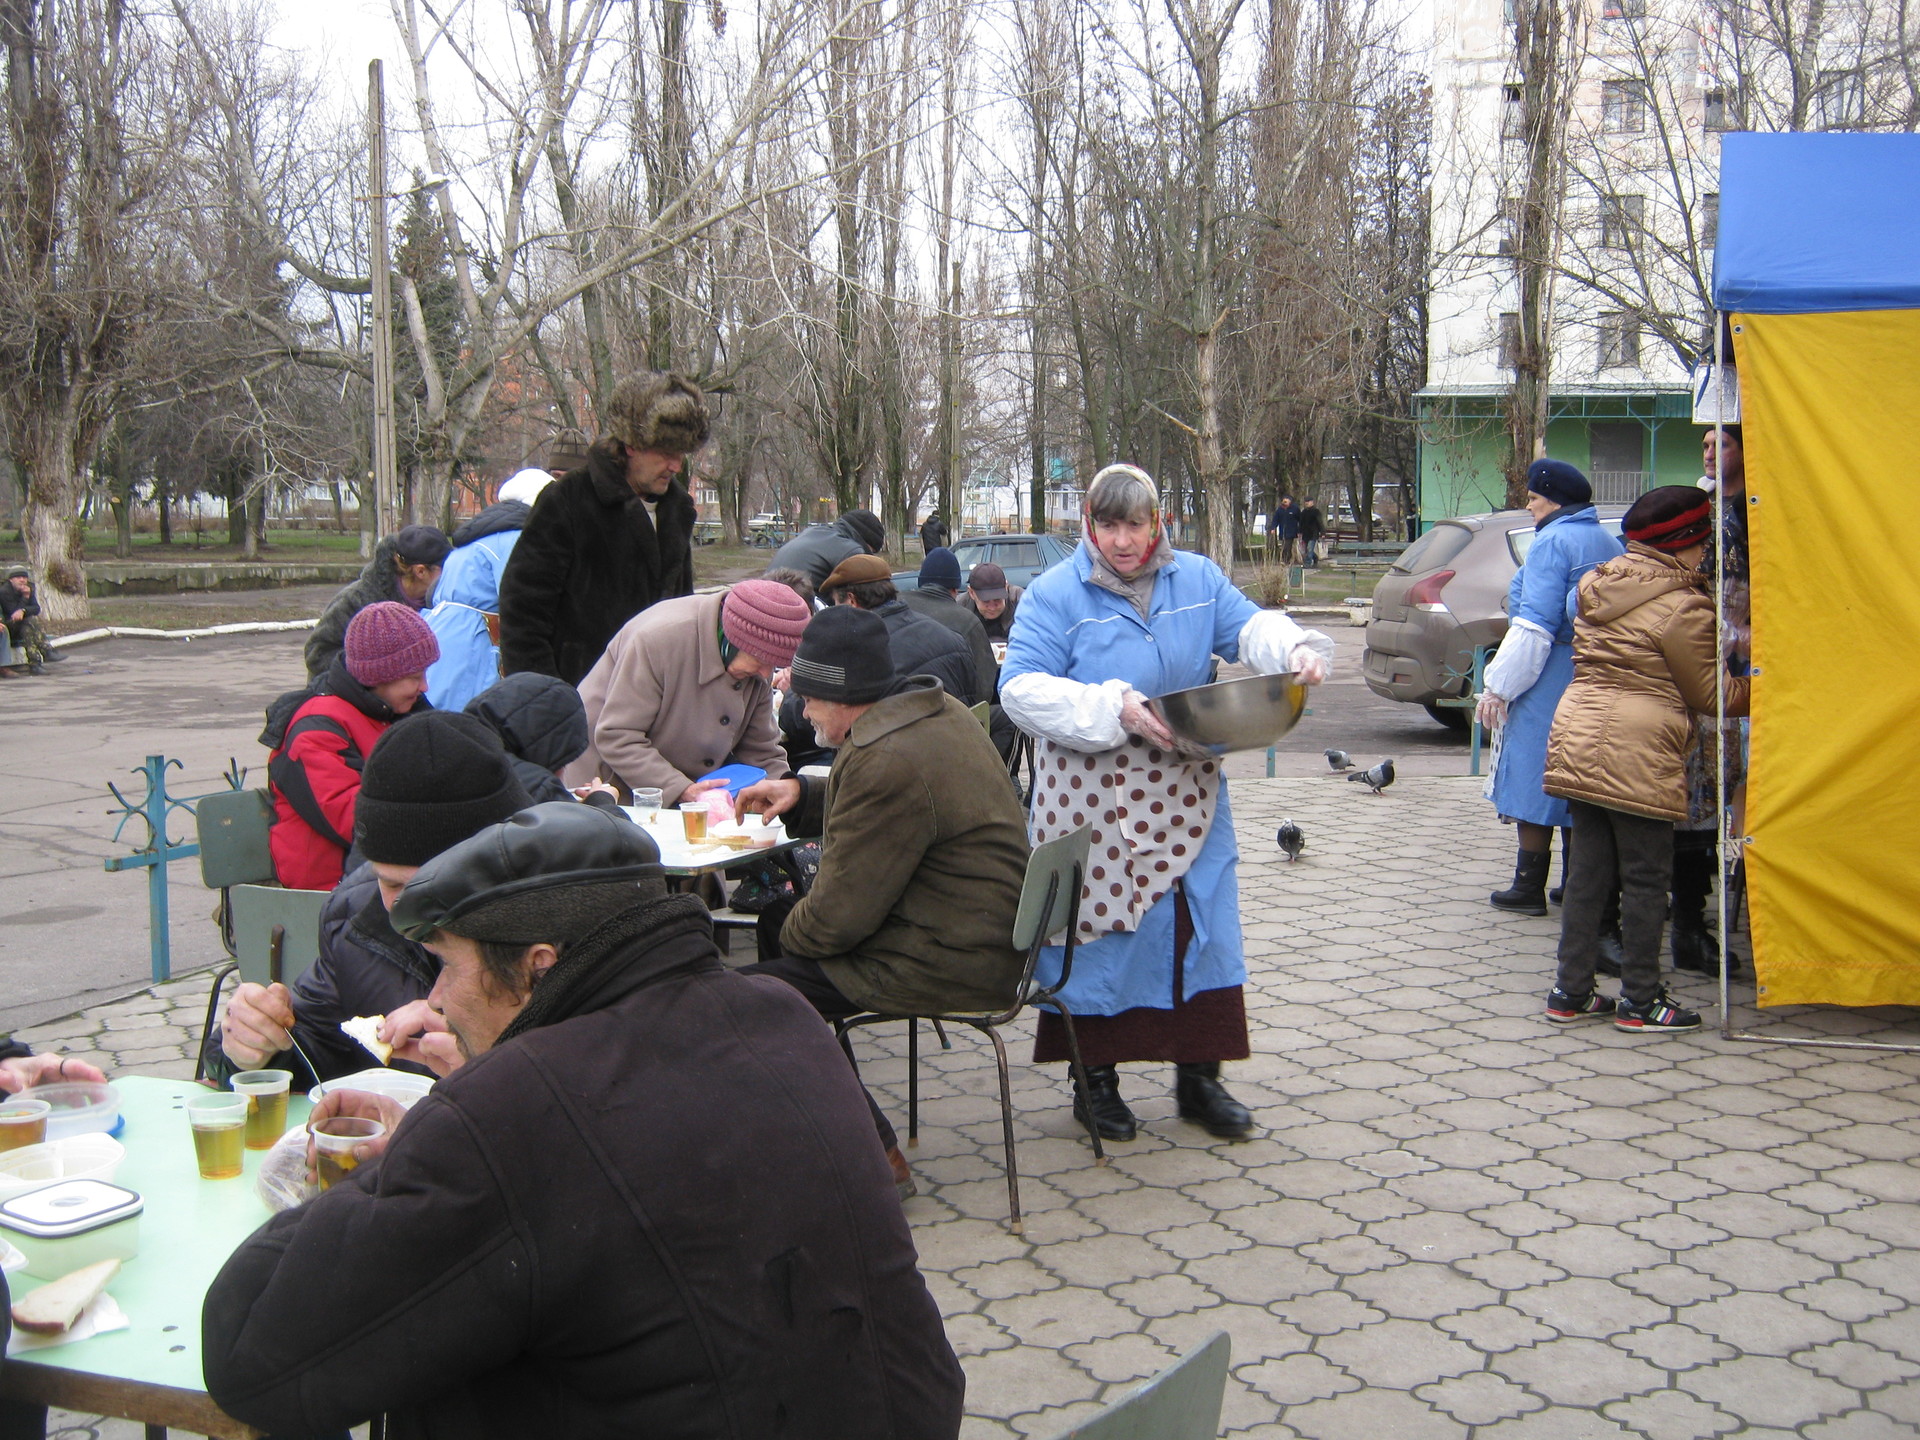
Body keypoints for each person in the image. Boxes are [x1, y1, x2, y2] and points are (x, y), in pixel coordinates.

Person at [202, 802, 966, 1440]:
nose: (436, 998)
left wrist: (397, 1161)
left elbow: (253, 1352)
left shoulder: (514, 1114)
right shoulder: (778, 1014)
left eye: (449, 964)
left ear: (539, 966)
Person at [999, 463, 1333, 1142]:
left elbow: (1248, 630)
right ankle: (1093, 1082)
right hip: (1092, 801)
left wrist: (1295, 647)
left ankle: (1200, 1081)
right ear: (1088, 525)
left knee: (1199, 925)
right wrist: (1111, 705)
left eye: (1136, 524)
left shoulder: (1198, 578)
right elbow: (1019, 689)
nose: (1123, 541)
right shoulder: (1054, 595)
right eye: (1109, 525)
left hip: (1188, 788)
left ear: (1159, 524)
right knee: (1102, 933)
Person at [734, 606, 1030, 1185]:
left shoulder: (885, 759)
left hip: (950, 959)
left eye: (809, 698)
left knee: (750, 997)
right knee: (777, 925)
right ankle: (833, 1117)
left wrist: (797, 924)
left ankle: (870, 1154)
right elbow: (904, 809)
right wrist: (803, 795)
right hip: (985, 935)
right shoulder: (935, 711)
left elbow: (836, 923)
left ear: (840, 697)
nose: (804, 711)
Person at [209, 712, 536, 1086]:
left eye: (434, 886)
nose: (413, 909)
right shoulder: (356, 920)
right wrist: (255, 1052)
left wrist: (487, 1053)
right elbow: (315, 1051)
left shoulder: (562, 926)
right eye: (393, 884)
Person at [1543, 486, 1752, 1033]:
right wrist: (1771, 687)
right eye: (1702, 544)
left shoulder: (1597, 583)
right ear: (1683, 544)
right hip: (1638, 749)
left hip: (1579, 735)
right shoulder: (1685, 606)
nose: (1705, 555)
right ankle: (1641, 999)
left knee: (1588, 873)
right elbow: (1714, 696)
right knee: (1644, 878)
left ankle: (1570, 992)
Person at [1474, 460, 1623, 915]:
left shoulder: (1552, 542)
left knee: (1533, 777)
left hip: (1549, 672)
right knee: (1580, 779)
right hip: (1593, 671)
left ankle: (1527, 887)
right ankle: (1577, 885)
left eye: (1534, 498)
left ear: (1554, 500)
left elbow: (1534, 625)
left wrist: (1499, 685)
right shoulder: (1604, 539)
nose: (1529, 505)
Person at [498, 371, 709, 684]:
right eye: (666, 453)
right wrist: (546, 701)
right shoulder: (568, 498)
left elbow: (681, 609)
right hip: (579, 693)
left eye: (681, 454)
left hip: (655, 696)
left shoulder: (676, 509)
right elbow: (523, 612)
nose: (676, 466)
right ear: (632, 444)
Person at [566, 579, 811, 805]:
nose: (765, 673)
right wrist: (681, 789)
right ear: (732, 640)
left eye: (776, 664)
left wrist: (786, 795)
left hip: (683, 791)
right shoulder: (659, 640)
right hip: (609, 784)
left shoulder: (755, 662)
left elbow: (761, 750)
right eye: (760, 660)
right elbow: (617, 735)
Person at [269, 603, 438, 892]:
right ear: (378, 676)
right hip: (332, 891)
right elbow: (355, 820)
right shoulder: (316, 730)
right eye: (413, 677)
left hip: (384, 877)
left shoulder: (396, 711)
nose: (424, 687)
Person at [1673, 424, 1750, 974]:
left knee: (1730, 785)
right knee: (1700, 790)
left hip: (1747, 653)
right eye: (1704, 445)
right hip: (1706, 653)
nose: (1709, 452)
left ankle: (1703, 913)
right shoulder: (1701, 509)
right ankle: (1687, 920)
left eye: (1720, 442)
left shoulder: (1752, 506)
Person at [422, 469, 553, 712]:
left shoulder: (481, 535)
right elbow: (522, 600)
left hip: (444, 633)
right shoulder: (516, 538)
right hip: (476, 641)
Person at [305, 525, 450, 681]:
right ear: (420, 571)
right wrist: (375, 668)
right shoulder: (356, 600)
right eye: (446, 568)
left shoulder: (442, 603)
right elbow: (317, 655)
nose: (451, 574)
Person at [464, 671, 591, 805]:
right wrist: (602, 801)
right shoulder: (537, 790)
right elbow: (590, 826)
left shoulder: (453, 743)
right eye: (564, 761)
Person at [898, 546, 994, 702]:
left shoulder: (895, 605)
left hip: (890, 709)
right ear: (956, 589)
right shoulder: (966, 621)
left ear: (921, 581)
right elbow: (984, 688)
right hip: (945, 712)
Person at [768, 507, 886, 590]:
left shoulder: (813, 532)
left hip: (766, 601)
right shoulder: (851, 551)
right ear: (866, 543)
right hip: (799, 611)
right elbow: (862, 600)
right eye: (872, 552)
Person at [0, 565, 57, 677]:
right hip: (10, 624)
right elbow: (14, 614)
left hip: (21, 624)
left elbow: (36, 609)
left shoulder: (28, 588)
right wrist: (25, 598)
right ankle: (46, 652)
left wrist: (24, 609)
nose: (22, 580)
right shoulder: (4, 592)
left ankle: (35, 664)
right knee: (27, 622)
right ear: (11, 579)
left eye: (24, 577)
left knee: (28, 626)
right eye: (18, 577)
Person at [1268, 496, 1300, 565]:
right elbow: (1275, 519)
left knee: (1287, 546)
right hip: (1283, 531)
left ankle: (1285, 560)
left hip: (1291, 531)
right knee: (1284, 546)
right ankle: (1287, 559)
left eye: (1286, 501)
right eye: (1283, 501)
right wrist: (1273, 528)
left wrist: (1299, 530)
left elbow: (1299, 519)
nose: (1284, 503)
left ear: (1290, 501)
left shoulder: (1295, 509)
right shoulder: (1280, 510)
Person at [1298, 500, 1325, 567]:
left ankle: (1307, 563)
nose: (1307, 503)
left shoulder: (1316, 512)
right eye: (1306, 501)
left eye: (1308, 501)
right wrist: (1299, 532)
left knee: (1310, 548)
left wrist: (1322, 532)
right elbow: (1301, 523)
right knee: (1307, 549)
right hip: (1305, 533)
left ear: (1312, 502)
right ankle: (1315, 558)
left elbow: (1320, 523)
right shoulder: (1304, 512)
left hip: (1313, 533)